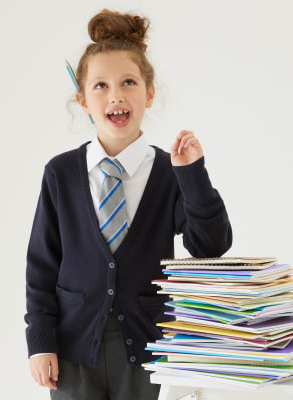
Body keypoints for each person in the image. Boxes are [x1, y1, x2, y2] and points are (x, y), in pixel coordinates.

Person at [24, 8, 233, 400]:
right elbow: (41, 266)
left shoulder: (170, 173)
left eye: (128, 82)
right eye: (100, 85)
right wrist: (39, 340)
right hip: (73, 349)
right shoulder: (60, 173)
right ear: (82, 99)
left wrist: (192, 174)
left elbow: (210, 246)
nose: (116, 95)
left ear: (149, 93)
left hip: (148, 343)